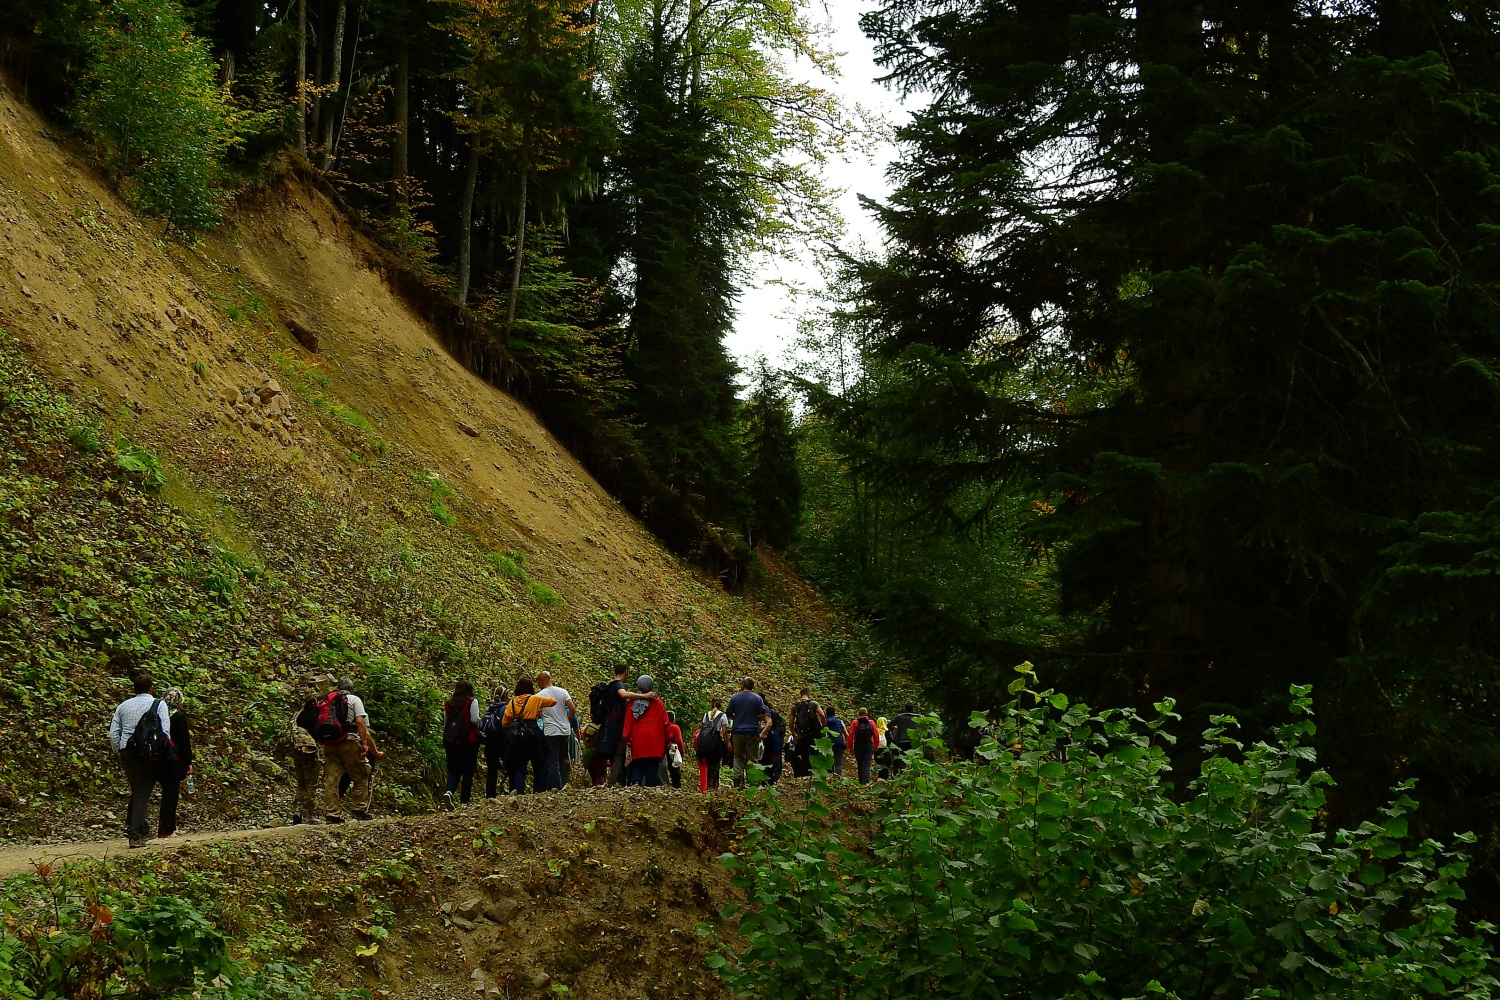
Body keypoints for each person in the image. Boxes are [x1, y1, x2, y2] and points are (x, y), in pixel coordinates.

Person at [108, 674, 173, 848]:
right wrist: (163, 754)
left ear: (134, 689)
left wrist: (120, 751)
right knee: (142, 794)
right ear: (151, 688)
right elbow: (165, 731)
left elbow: (114, 733)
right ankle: (135, 835)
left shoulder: (122, 706)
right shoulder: (159, 704)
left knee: (137, 790)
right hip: (149, 755)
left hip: (127, 752)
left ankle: (142, 827)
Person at [320, 677, 379, 823]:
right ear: (351, 688)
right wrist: (364, 744)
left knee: (332, 779)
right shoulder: (353, 699)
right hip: (348, 740)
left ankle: (332, 814)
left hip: (329, 742)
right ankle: (359, 809)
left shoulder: (327, 699)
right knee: (361, 773)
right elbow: (360, 722)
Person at [596, 663, 658, 787]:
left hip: (609, 725)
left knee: (615, 754)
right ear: (625, 672)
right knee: (619, 753)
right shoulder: (618, 684)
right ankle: (614, 783)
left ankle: (616, 781)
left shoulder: (609, 686)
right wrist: (644, 696)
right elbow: (623, 694)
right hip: (616, 726)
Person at [277, 679, 328, 824]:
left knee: (301, 782)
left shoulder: (298, 715)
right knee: (311, 783)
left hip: (297, 750)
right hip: (310, 751)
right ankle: (309, 814)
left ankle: (297, 811)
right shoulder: (318, 714)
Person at [501, 679, 555, 794]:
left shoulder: (511, 703)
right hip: (534, 733)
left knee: (520, 766)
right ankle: (538, 792)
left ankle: (519, 794)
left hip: (518, 736)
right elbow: (553, 702)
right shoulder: (535, 699)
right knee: (539, 764)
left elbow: (505, 722)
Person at [156, 688, 193, 839]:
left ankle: (162, 828)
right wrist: (188, 762)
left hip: (158, 759)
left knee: (165, 792)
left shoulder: (157, 715)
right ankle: (167, 829)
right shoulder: (178, 717)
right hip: (174, 760)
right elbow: (185, 742)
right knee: (171, 795)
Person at [622, 676, 669, 787]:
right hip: (655, 743)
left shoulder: (631, 703)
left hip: (638, 743)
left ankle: (635, 793)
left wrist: (627, 738)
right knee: (652, 771)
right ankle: (650, 796)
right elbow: (666, 723)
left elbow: (628, 724)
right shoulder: (657, 702)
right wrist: (668, 740)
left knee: (637, 767)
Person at [535, 671, 577, 792]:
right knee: (562, 759)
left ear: (542, 680)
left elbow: (536, 714)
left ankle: (556, 788)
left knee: (552, 761)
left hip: (551, 731)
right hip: (565, 731)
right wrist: (567, 721)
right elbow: (572, 709)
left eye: (538, 680)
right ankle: (564, 785)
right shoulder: (563, 691)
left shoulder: (539, 696)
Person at [725, 678, 770, 789]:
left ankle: (737, 781)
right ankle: (753, 785)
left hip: (738, 732)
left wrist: (738, 717)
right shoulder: (758, 699)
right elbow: (761, 716)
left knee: (738, 756)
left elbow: (729, 714)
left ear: (743, 684)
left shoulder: (735, 698)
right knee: (752, 758)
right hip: (752, 731)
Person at [442, 681, 481, 808]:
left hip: (451, 742)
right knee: (468, 772)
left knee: (454, 771)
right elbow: (474, 719)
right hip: (469, 741)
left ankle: (449, 791)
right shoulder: (472, 702)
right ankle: (464, 802)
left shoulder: (448, 704)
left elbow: (445, 723)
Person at [788, 689, 827, 778]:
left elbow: (790, 723)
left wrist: (794, 735)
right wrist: (823, 727)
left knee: (804, 755)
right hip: (813, 734)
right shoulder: (813, 704)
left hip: (801, 735)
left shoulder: (796, 706)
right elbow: (822, 715)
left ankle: (805, 775)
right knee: (814, 754)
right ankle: (815, 774)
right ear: (809, 694)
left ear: (801, 695)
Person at [482, 684, 510, 799]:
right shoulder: (506, 708)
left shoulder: (490, 708)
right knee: (510, 766)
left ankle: (490, 795)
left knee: (492, 770)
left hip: (489, 743)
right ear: (505, 696)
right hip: (502, 743)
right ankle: (515, 790)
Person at [697, 697, 728, 791]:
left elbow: (701, 729)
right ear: (720, 705)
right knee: (715, 766)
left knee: (707, 765)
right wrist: (726, 745)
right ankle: (713, 787)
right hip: (716, 743)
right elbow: (725, 732)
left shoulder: (706, 715)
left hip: (705, 744)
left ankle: (706, 786)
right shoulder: (723, 716)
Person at [850, 708, 878, 784]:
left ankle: (861, 780)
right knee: (867, 762)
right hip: (868, 745)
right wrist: (876, 745)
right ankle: (866, 780)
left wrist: (850, 747)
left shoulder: (855, 722)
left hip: (858, 745)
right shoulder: (871, 722)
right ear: (866, 713)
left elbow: (851, 735)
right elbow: (875, 734)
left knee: (860, 762)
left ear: (858, 714)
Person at [764, 704, 786, 784]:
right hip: (776, 746)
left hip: (771, 744)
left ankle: (770, 778)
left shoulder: (766, 713)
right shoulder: (774, 715)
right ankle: (773, 778)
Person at [663, 710, 686, 789]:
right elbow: (679, 741)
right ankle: (677, 787)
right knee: (675, 771)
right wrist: (682, 752)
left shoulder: (661, 727)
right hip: (672, 751)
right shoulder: (675, 727)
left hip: (662, 751)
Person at [824, 705, 847, 776]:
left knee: (829, 761)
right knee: (839, 762)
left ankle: (829, 776)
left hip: (828, 744)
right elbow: (846, 733)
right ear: (834, 713)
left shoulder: (824, 722)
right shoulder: (839, 721)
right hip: (839, 743)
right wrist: (845, 742)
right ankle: (837, 775)